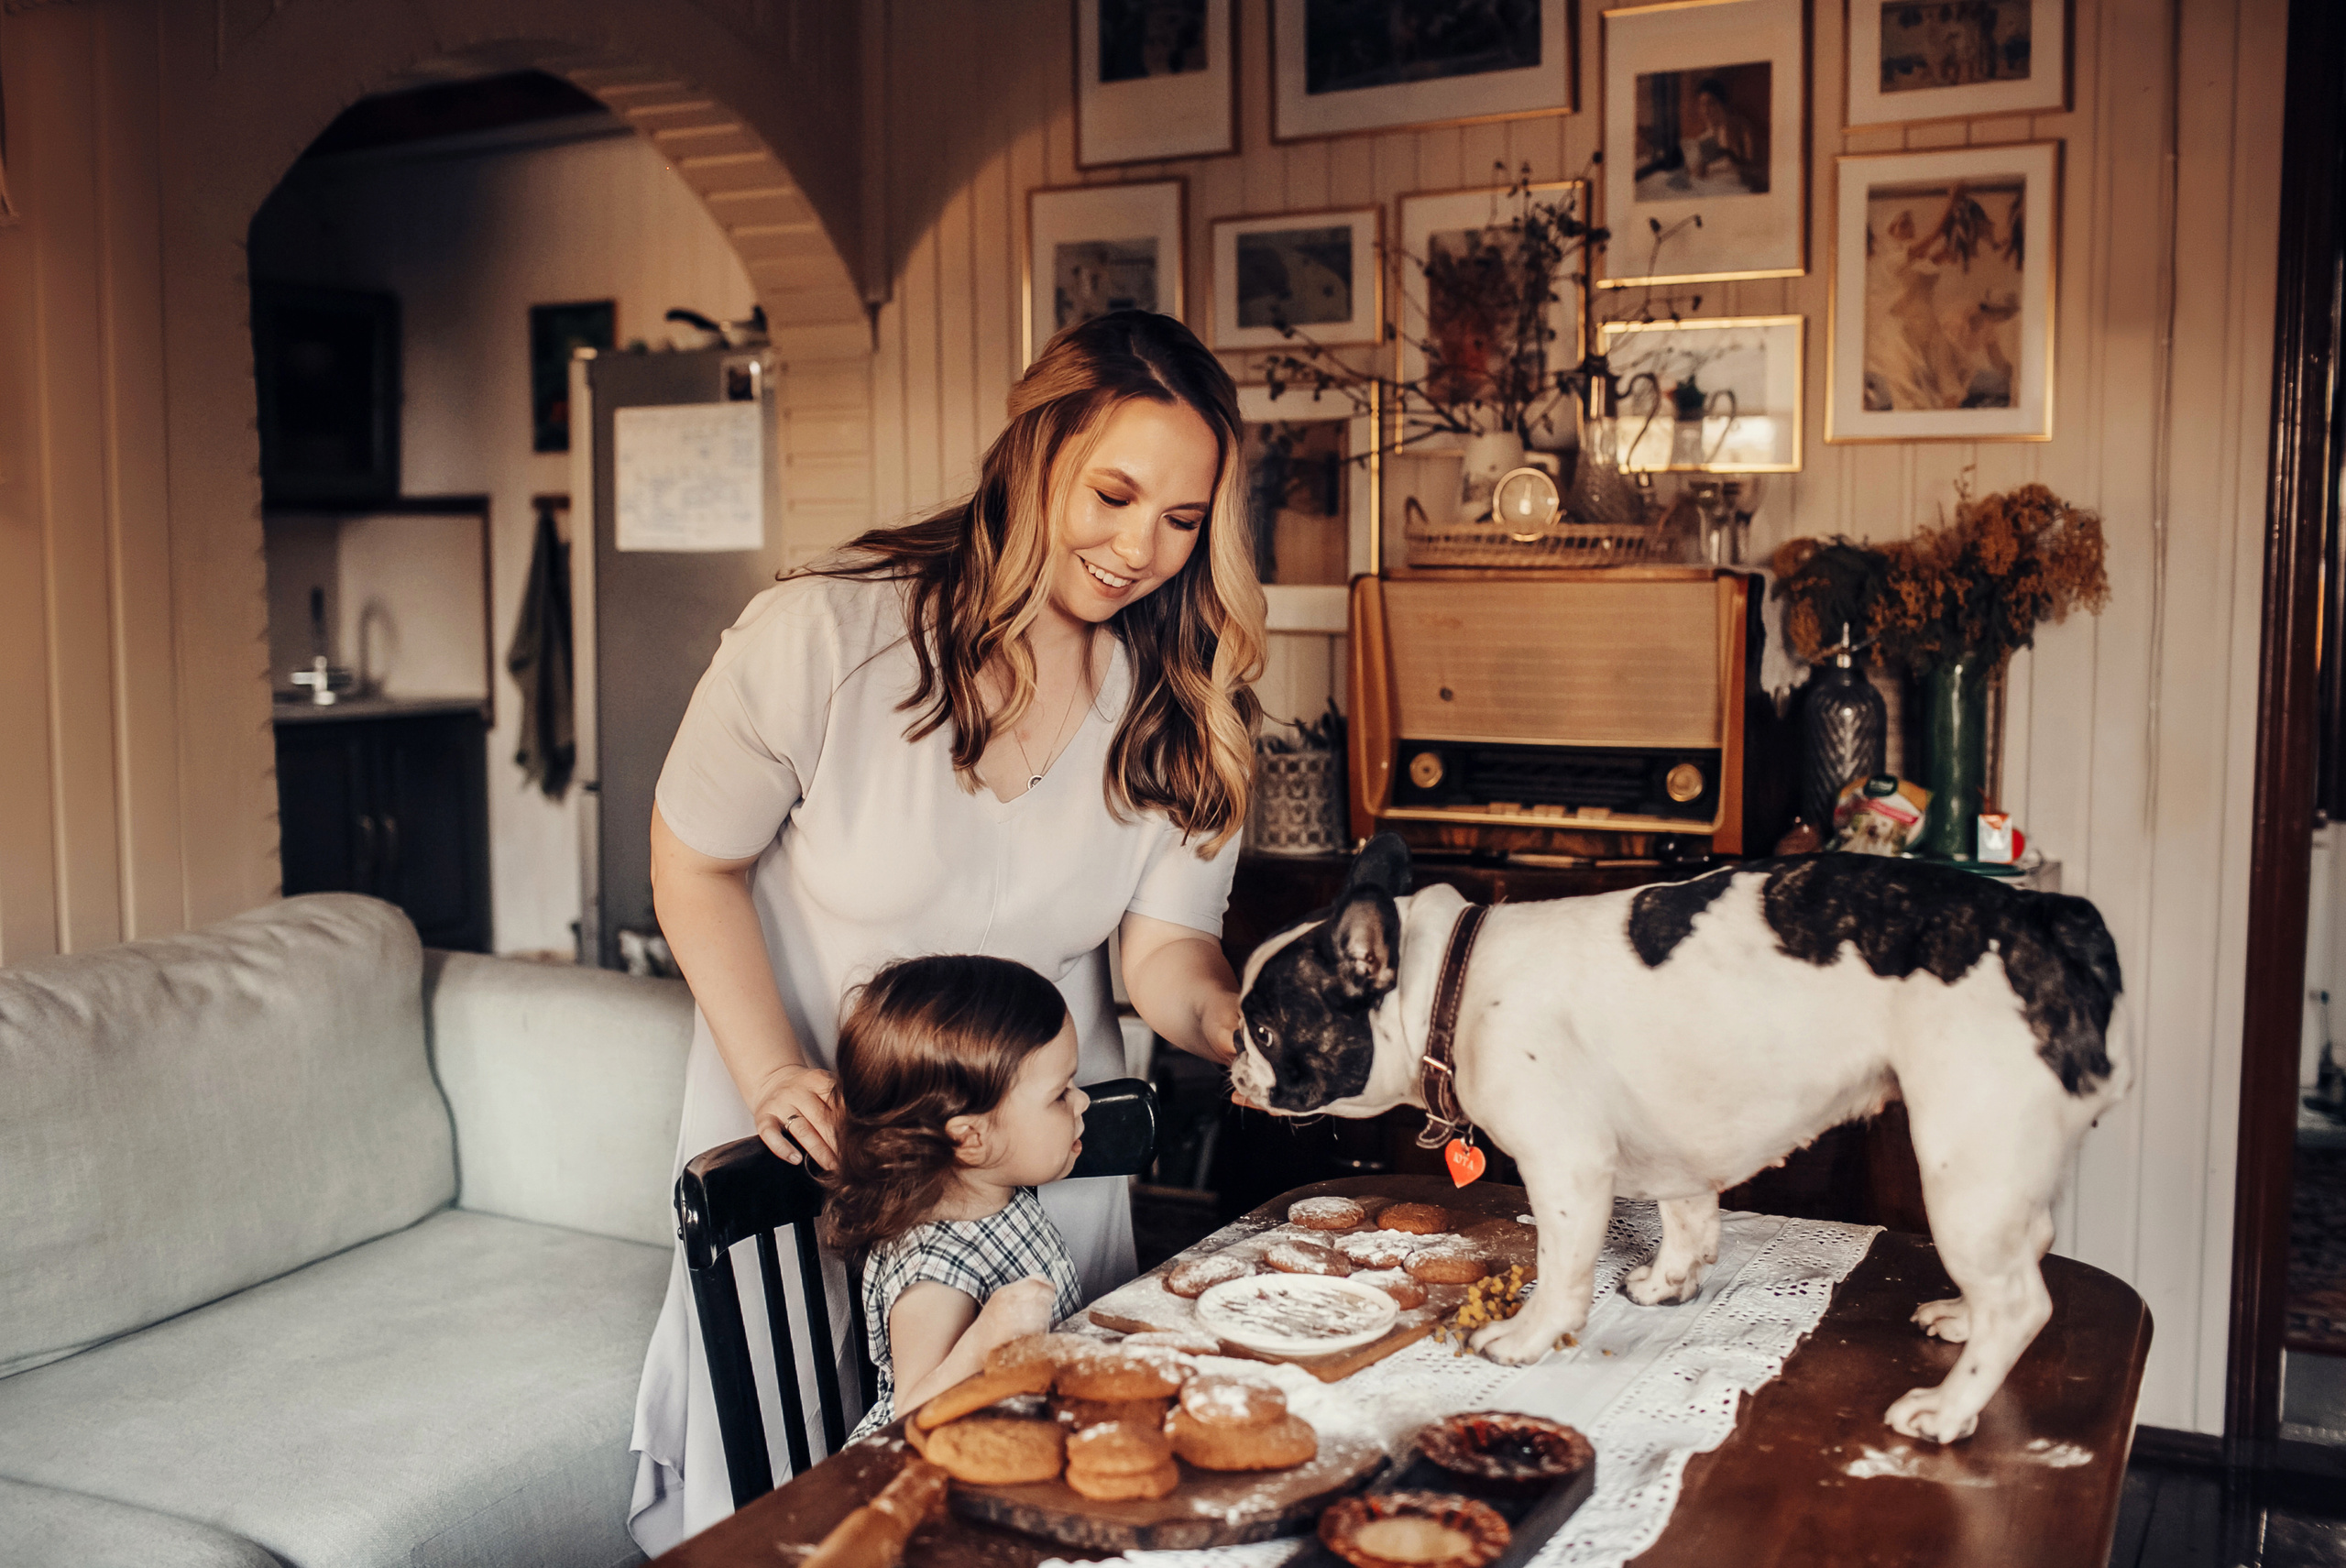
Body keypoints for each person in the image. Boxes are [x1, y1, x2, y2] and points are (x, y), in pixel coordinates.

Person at [628, 309, 1266, 1552]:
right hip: (818, 1151)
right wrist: (771, 1068)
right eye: (1115, 493)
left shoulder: (1174, 700)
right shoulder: (825, 635)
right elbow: (692, 860)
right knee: (811, 1507)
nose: (1142, 547)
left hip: (1030, 1171)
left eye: (1182, 520)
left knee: (1017, 1497)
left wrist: (1234, 1023)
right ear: (1031, 454)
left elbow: (1159, 954)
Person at [823, 954, 1088, 1442]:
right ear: (970, 1138)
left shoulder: (998, 1193)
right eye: (1060, 1094)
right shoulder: (936, 1272)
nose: (1083, 1101)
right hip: (933, 1473)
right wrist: (986, 1336)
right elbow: (913, 1419)